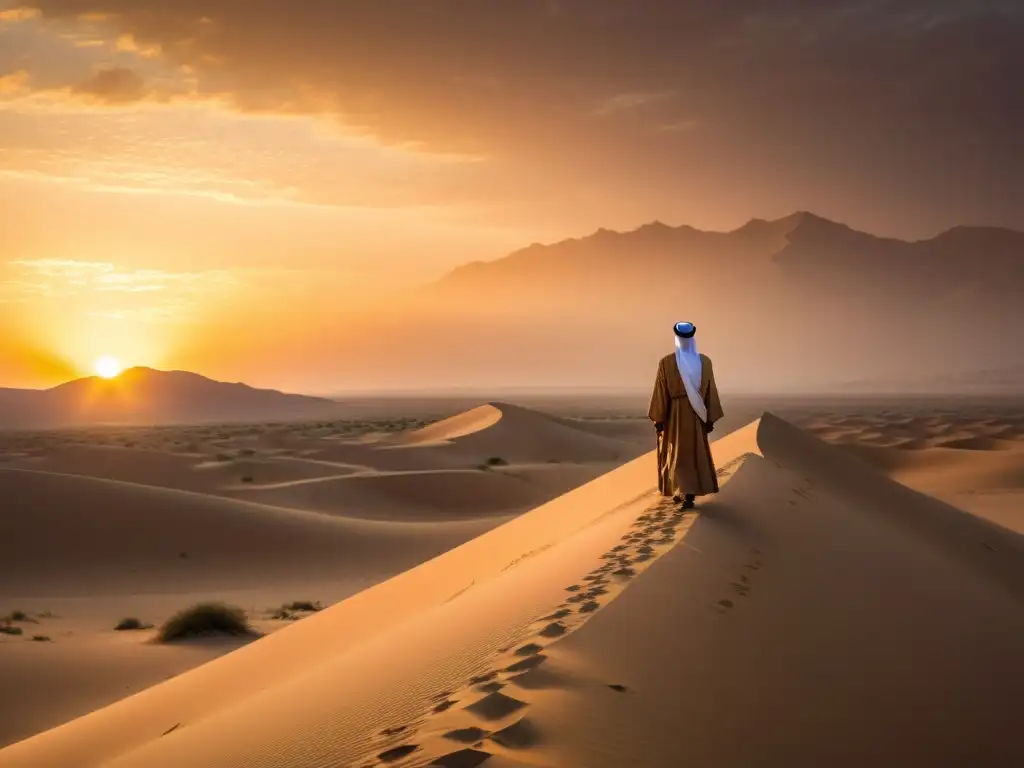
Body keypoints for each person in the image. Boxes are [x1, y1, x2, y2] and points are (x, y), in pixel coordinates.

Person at [648, 321, 724, 509]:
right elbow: (663, 391)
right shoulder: (672, 362)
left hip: (684, 414)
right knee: (682, 453)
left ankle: (687, 494)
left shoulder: (695, 362)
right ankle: (683, 491)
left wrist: (659, 418)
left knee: (683, 454)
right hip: (686, 414)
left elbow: (708, 390)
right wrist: (709, 417)